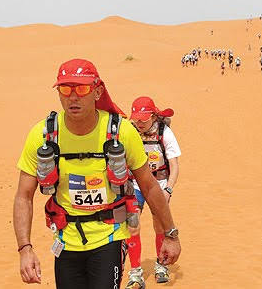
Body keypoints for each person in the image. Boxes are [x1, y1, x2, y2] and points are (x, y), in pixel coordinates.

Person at [13, 59, 181, 288]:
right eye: (65, 88)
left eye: (81, 89)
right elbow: (23, 195)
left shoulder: (122, 132)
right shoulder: (42, 136)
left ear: (97, 91)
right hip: (66, 241)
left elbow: (150, 186)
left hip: (110, 237)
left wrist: (171, 234)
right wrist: (25, 249)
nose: (73, 97)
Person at [126, 97, 181, 287]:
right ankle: (135, 271)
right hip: (134, 186)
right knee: (132, 227)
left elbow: (174, 166)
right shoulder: (130, 132)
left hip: (159, 186)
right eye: (136, 119)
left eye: (143, 118)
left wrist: (168, 189)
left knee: (159, 227)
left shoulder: (164, 132)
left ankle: (161, 265)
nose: (139, 123)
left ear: (153, 116)